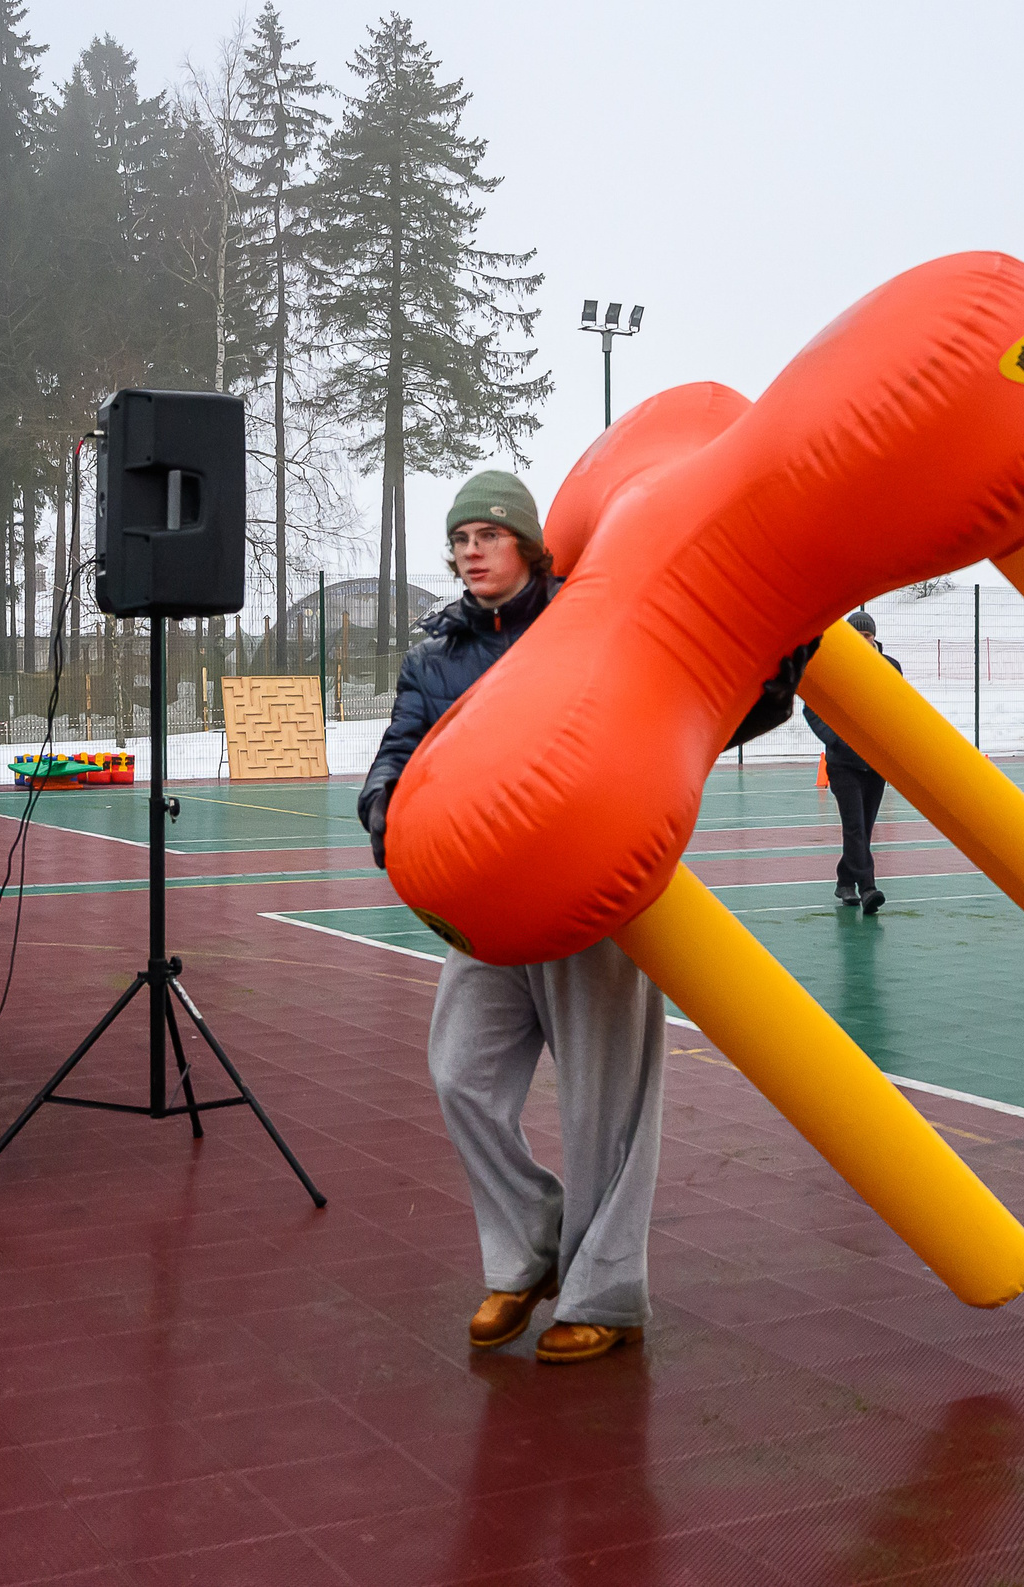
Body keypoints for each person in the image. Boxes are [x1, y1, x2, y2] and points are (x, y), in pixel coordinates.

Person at [360, 468, 799, 1364]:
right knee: (459, 1074)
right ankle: (529, 1244)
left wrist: (784, 652)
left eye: (487, 533)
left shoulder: (591, 620)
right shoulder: (434, 655)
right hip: (487, 908)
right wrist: (387, 819)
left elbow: (698, 707)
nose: (470, 550)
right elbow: (394, 759)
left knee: (607, 1105)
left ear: (527, 542)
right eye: (460, 537)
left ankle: (605, 1293)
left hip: (593, 896)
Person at [803, 610, 901, 914]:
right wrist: (835, 739)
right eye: (856, 637)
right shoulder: (831, 667)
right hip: (843, 765)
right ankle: (867, 888)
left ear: (874, 637)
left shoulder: (890, 667)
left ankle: (845, 880)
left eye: (867, 636)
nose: (862, 641)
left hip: (875, 766)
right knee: (855, 827)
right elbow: (812, 709)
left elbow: (899, 708)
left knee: (864, 828)